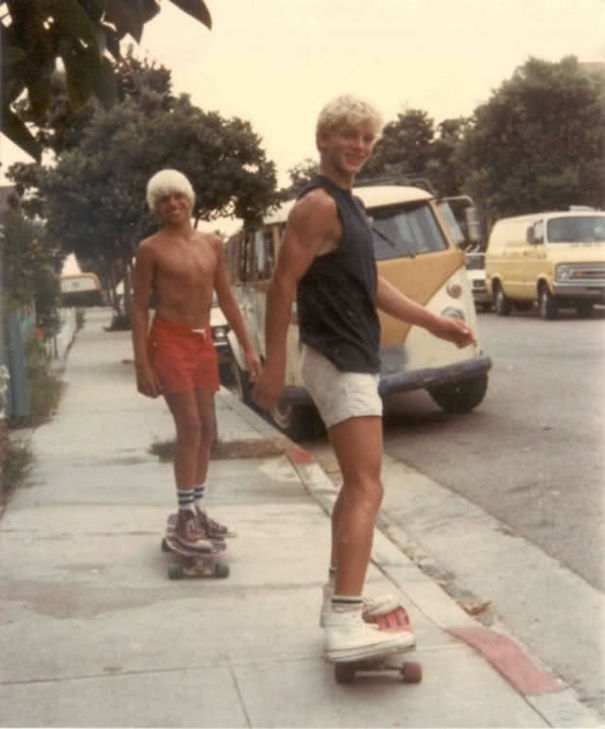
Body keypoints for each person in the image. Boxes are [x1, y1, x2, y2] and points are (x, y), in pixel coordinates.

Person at [253, 96, 476, 662]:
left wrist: (435, 322)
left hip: (352, 353)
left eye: (367, 138)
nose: (358, 145)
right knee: (366, 486)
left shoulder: (350, 205)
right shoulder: (319, 204)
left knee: (358, 485)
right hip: (337, 356)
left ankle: (339, 600)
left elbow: (370, 281)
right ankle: (347, 621)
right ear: (323, 139)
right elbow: (282, 286)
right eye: (347, 135)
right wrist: (274, 366)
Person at [132, 169, 261, 551]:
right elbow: (139, 308)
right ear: (156, 208)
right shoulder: (150, 249)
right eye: (163, 200)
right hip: (168, 342)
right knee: (188, 427)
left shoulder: (212, 244)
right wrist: (142, 363)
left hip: (202, 342)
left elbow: (227, 298)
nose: (172, 204)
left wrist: (249, 348)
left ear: (189, 199)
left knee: (205, 428)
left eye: (178, 196)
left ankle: (198, 509)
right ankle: (185, 514)